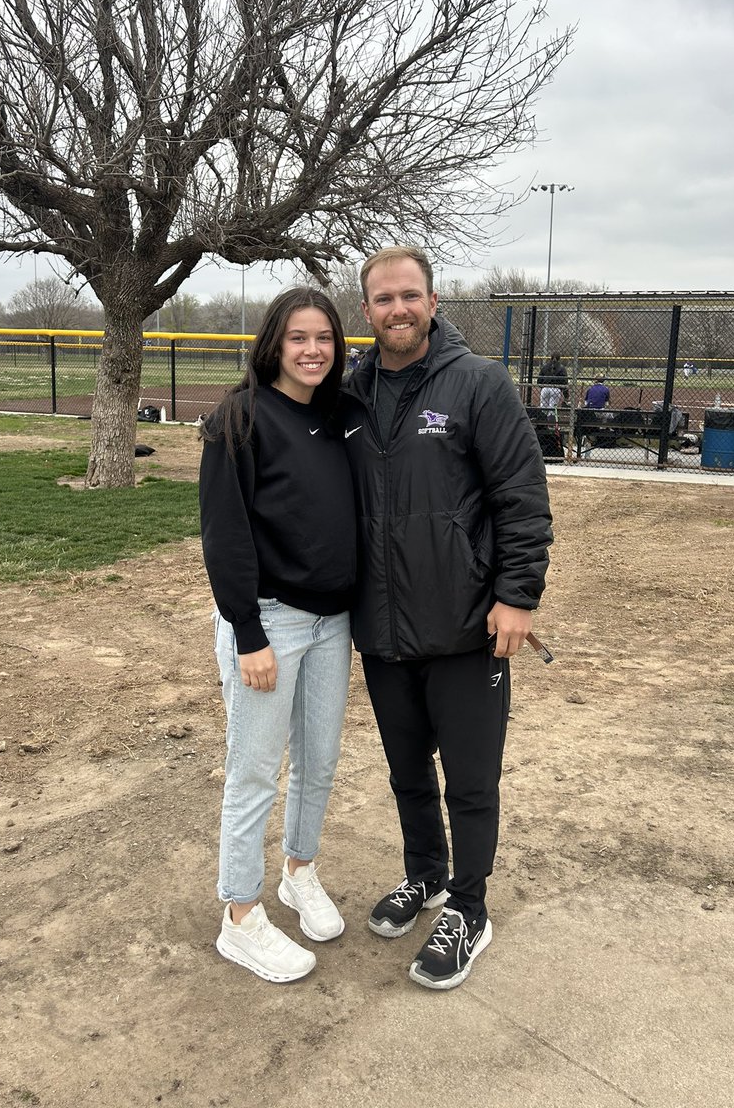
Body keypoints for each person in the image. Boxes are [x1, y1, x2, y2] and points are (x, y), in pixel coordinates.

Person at [340, 246, 553, 991]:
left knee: (468, 781)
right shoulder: (350, 393)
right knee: (407, 775)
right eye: (382, 299)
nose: (397, 308)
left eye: (409, 295)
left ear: (433, 301)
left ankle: (469, 907)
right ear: (364, 311)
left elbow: (521, 499)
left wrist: (518, 596)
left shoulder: (479, 384)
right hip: (383, 629)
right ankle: (425, 875)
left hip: (467, 627)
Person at [199, 288, 356, 983]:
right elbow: (224, 532)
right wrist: (248, 631)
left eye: (324, 337)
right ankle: (239, 917)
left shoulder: (338, 416)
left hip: (333, 622)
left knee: (319, 761)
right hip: (270, 621)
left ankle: (299, 871)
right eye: (298, 337)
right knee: (256, 771)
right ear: (273, 343)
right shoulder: (240, 417)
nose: (312, 349)